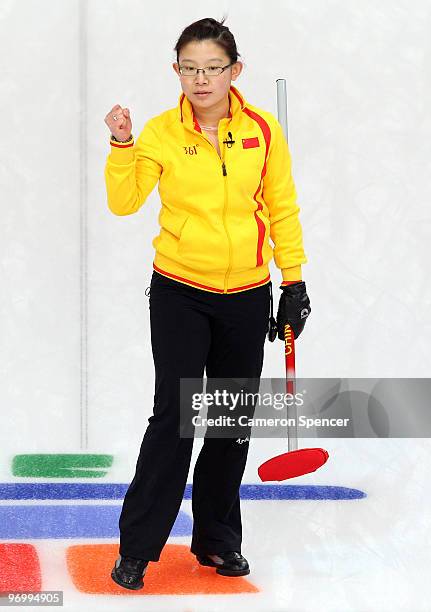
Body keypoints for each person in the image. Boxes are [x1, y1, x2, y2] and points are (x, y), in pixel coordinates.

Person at [104, 16, 311, 590]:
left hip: (246, 294)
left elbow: (283, 208)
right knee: (175, 417)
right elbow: (124, 202)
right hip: (179, 291)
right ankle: (139, 548)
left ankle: (218, 541)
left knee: (226, 421)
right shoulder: (161, 133)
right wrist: (122, 144)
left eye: (213, 68)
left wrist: (292, 284)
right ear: (177, 71)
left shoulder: (263, 132)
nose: (201, 79)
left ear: (234, 70)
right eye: (190, 68)